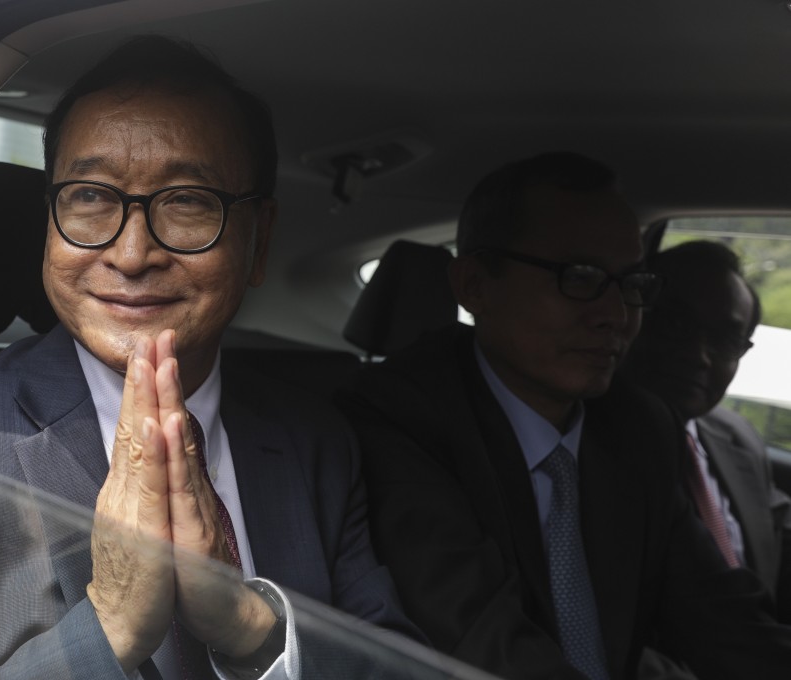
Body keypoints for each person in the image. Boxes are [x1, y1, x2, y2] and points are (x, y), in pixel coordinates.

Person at [0, 36, 418, 679]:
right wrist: (108, 626)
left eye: (188, 200)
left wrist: (249, 628)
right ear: (48, 223)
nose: (133, 254)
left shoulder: (314, 442)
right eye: (89, 196)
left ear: (259, 241)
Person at [338, 152, 791, 679]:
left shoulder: (639, 425)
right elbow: (480, 640)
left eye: (631, 285)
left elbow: (721, 618)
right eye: (578, 277)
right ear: (474, 286)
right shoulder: (396, 418)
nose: (615, 315)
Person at [622, 240, 791, 621]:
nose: (697, 354)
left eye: (726, 339)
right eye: (675, 323)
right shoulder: (576, 448)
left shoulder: (737, 437)